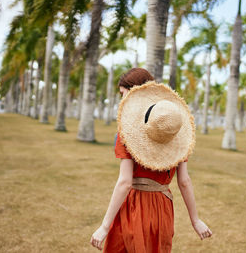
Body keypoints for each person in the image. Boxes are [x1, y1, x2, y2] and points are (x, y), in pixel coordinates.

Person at [90, 68, 212, 252]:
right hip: (163, 208)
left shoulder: (128, 135)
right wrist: (195, 220)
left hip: (135, 206)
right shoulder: (177, 135)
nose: (123, 101)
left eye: (124, 94)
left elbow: (124, 182)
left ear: (136, 93)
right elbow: (184, 181)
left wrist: (104, 227)